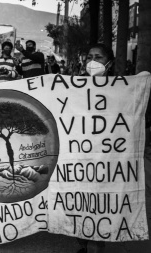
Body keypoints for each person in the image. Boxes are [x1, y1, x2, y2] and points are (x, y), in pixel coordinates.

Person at [76, 43, 114, 253]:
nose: (92, 61)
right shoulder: (74, 86)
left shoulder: (121, 88)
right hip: (80, 156)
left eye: (98, 57)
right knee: (80, 201)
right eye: (89, 56)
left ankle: (97, 244)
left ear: (109, 63)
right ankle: (82, 243)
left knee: (101, 203)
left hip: (108, 158)